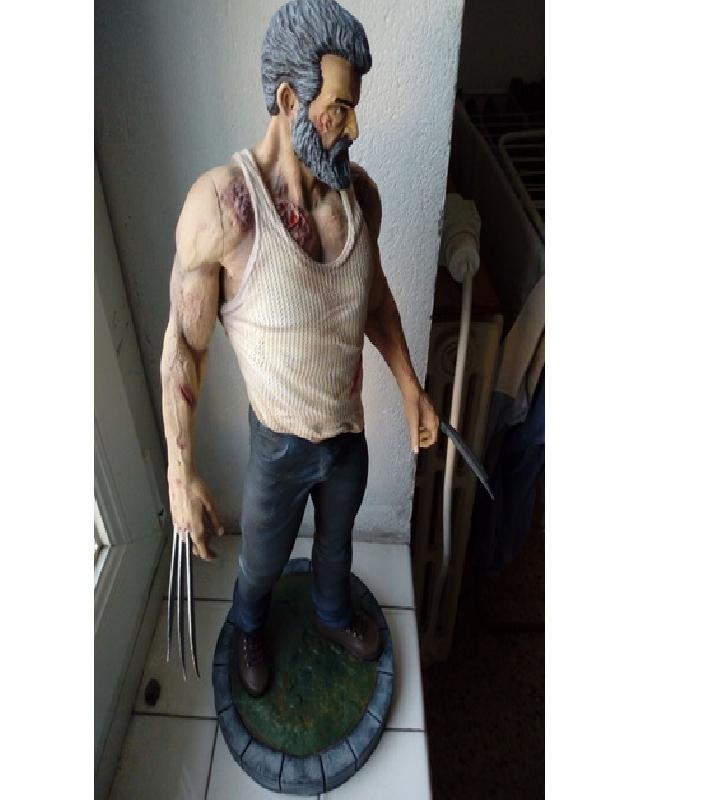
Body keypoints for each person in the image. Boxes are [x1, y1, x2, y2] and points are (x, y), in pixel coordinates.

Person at [160, 0, 438, 698]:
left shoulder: (359, 197)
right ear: (289, 100)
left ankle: (330, 613)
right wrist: (179, 472)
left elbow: (375, 301)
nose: (353, 127)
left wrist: (410, 387)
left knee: (336, 550)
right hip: (278, 444)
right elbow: (184, 345)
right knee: (259, 562)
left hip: (347, 437)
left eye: (352, 108)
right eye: (339, 108)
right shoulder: (224, 209)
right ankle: (250, 625)